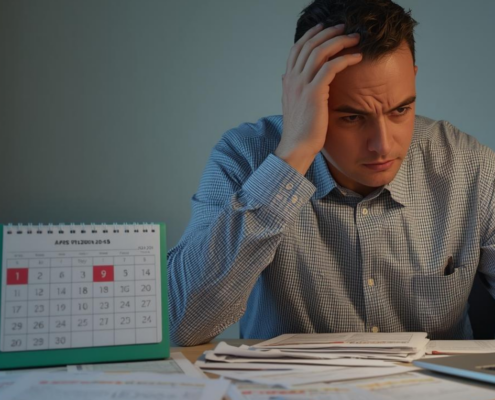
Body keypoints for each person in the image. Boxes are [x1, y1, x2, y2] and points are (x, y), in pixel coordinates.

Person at [168, 0, 495, 346]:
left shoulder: (468, 167)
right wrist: (292, 155)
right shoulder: (244, 158)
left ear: (413, 77)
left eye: (401, 109)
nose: (383, 145)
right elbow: (182, 325)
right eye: (352, 117)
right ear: (301, 97)